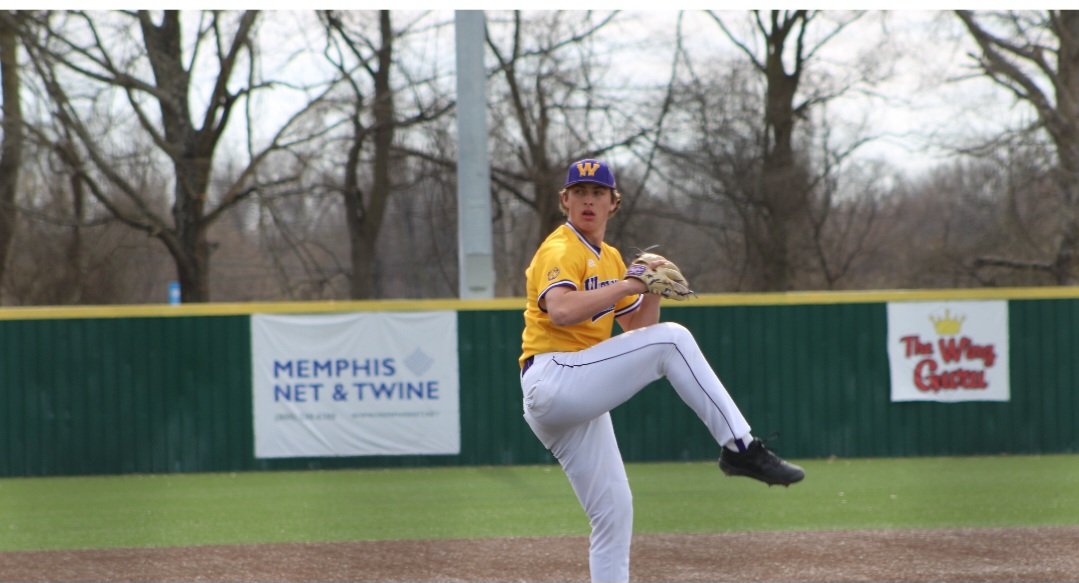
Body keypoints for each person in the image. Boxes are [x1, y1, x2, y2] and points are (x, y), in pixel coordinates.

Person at [518, 158, 805, 583]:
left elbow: (639, 331)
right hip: (553, 377)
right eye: (579, 193)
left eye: (597, 193)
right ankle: (740, 447)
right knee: (674, 339)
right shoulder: (560, 248)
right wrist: (631, 284)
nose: (588, 201)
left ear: (614, 203)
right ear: (565, 200)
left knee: (614, 512)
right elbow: (560, 310)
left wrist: (651, 288)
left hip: (577, 393)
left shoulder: (611, 258)